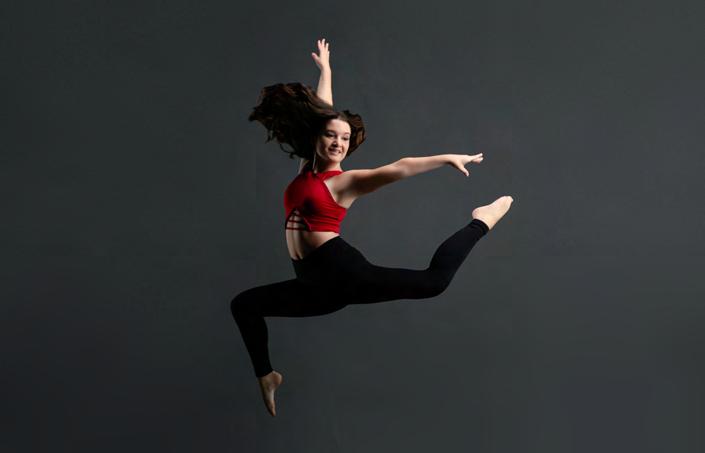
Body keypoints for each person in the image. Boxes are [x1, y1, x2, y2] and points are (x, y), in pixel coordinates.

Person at [231, 38, 514, 417]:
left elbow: (399, 167)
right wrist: (326, 72)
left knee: (433, 283)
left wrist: (446, 157)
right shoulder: (307, 169)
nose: (338, 142)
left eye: (345, 139)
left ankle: (482, 220)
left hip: (342, 272)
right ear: (317, 137)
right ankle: (268, 376)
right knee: (244, 305)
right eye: (331, 135)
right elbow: (324, 113)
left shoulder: (346, 183)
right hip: (312, 286)